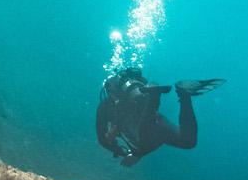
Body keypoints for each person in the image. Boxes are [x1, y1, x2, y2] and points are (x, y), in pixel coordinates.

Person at [96, 67, 224, 166]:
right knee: (188, 141)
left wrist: (126, 152)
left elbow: (102, 139)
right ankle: (184, 94)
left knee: (143, 137)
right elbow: (153, 113)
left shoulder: (106, 106)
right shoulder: (126, 100)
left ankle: (156, 94)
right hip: (156, 121)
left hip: (147, 128)